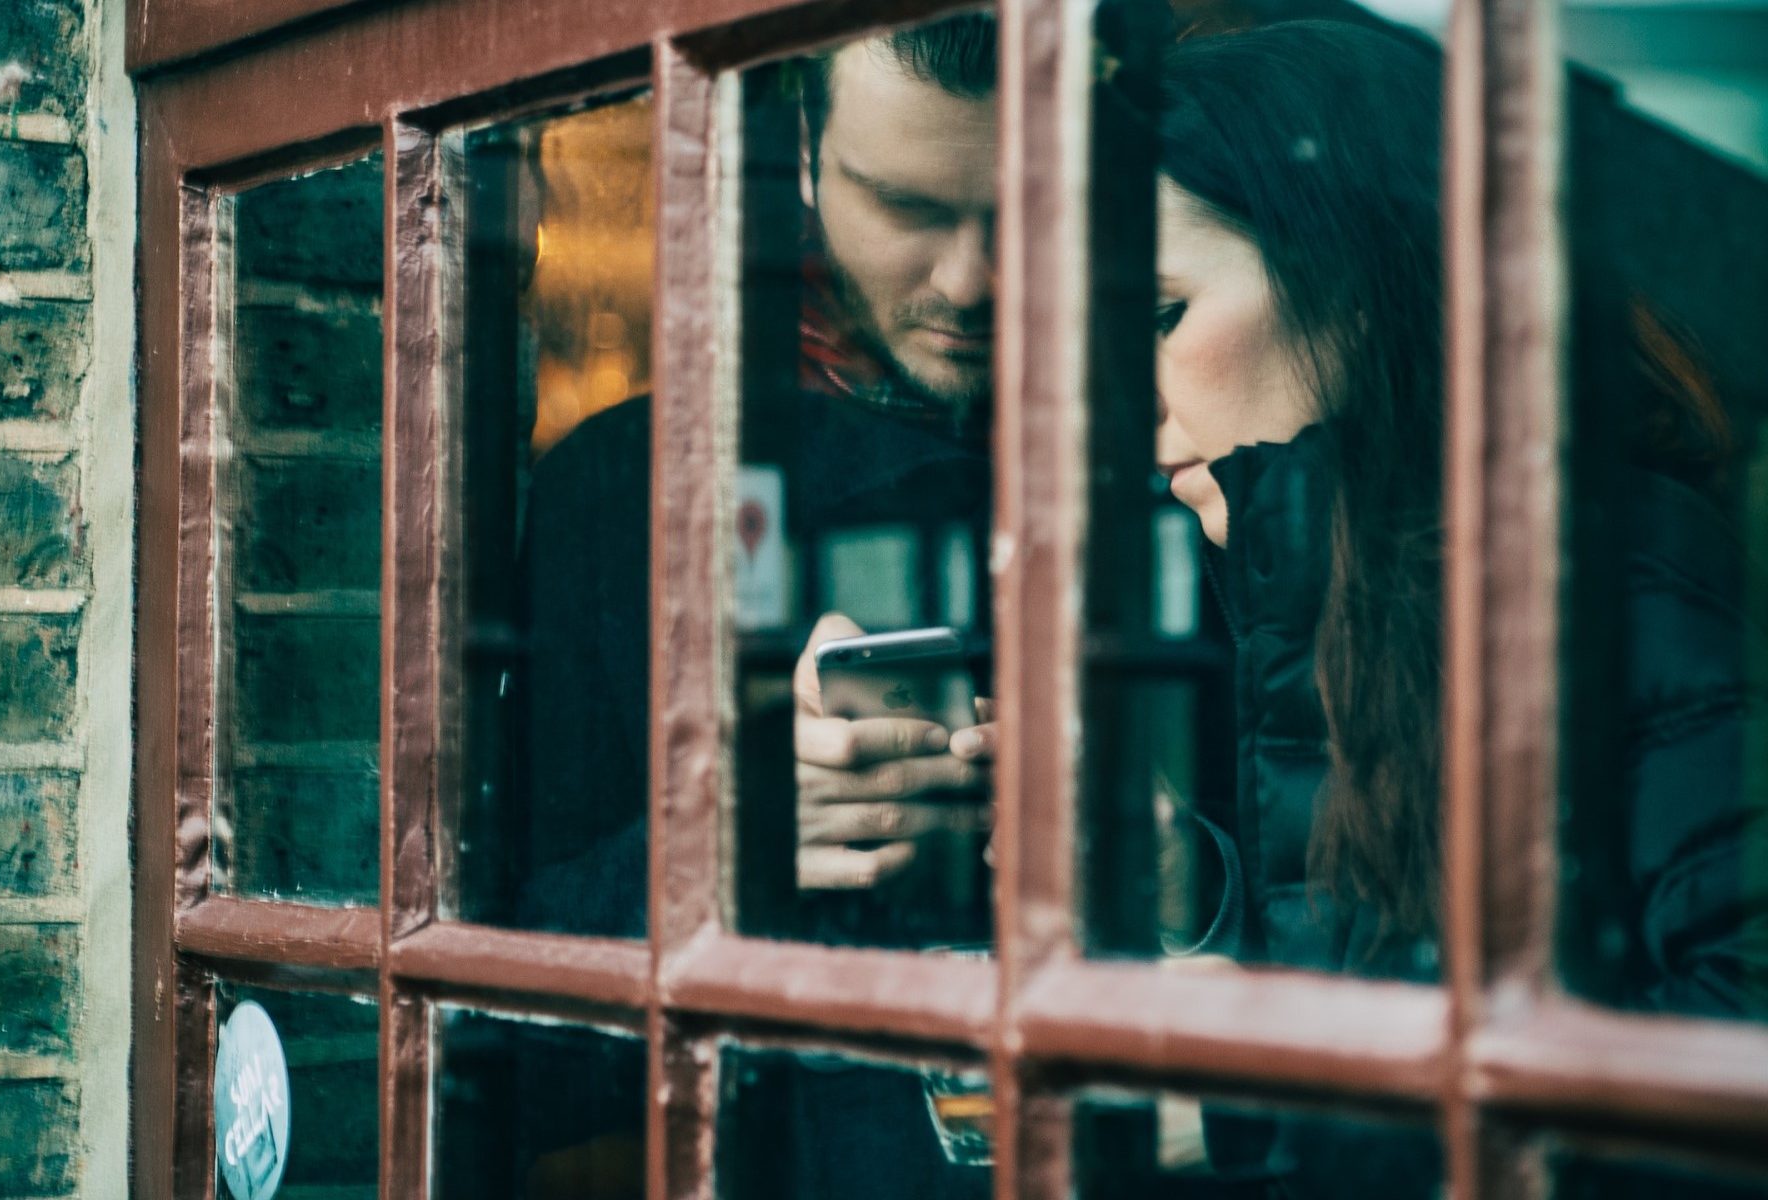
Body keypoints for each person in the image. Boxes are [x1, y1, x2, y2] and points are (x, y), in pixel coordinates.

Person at [1133, 18, 1764, 1197]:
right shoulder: (1336, 583)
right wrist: (1191, 901)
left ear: (1356, 285)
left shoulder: (1603, 575)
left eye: (1161, 318)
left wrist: (1268, 1090)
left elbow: (1730, 1052)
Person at [519, 14, 1003, 945]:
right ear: (812, 163)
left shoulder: (1172, 447)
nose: (970, 279)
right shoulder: (623, 485)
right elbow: (517, 947)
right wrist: (712, 849)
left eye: (1024, 207)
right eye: (909, 208)